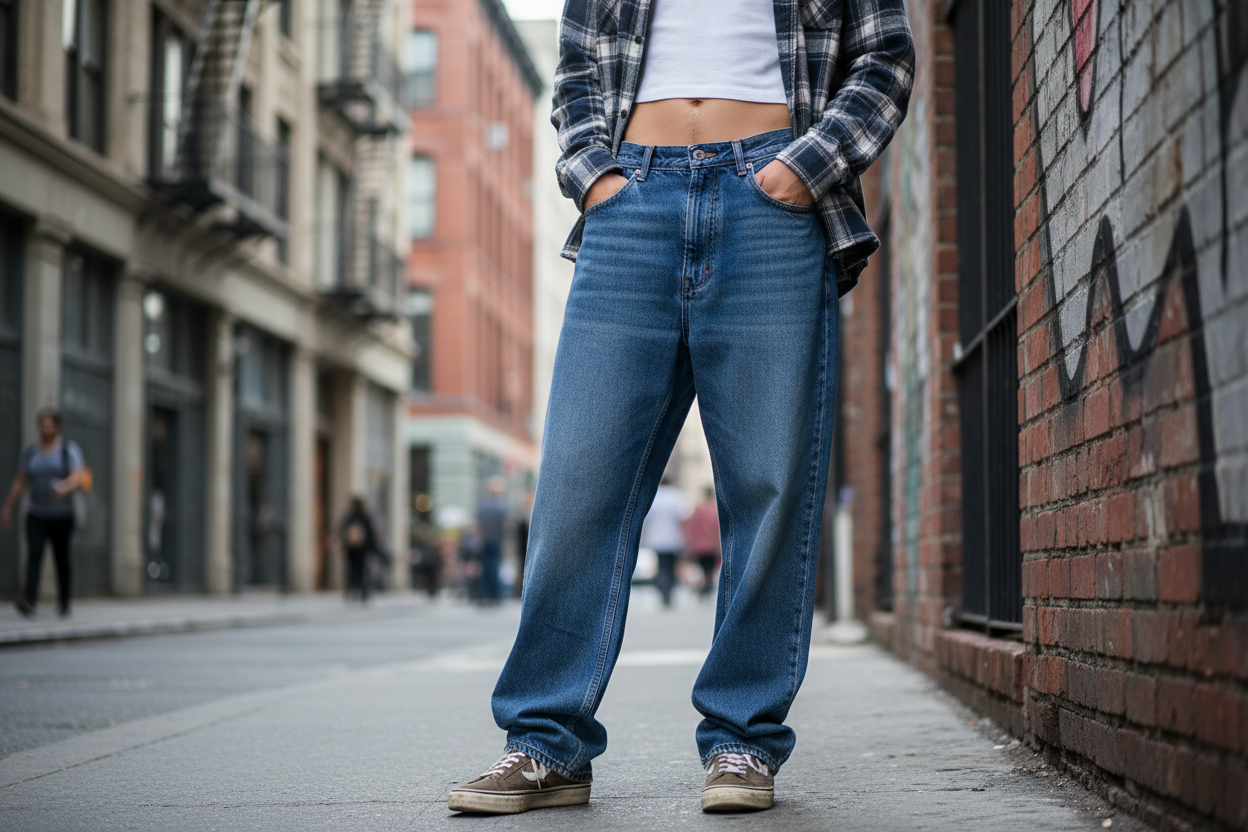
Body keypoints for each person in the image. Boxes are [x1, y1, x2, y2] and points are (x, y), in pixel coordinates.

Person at [448, 0, 914, 815]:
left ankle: (743, 738)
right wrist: (594, 171)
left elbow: (885, 59)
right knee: (577, 481)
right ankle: (544, 744)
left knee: (768, 486)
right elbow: (578, 70)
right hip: (633, 200)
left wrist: (808, 167)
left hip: (775, 196)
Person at [2, 408, 85, 618]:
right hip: (37, 512)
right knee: (35, 554)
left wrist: (63, 488)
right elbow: (21, 481)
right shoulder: (32, 453)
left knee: (61, 558)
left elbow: (77, 477)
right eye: (43, 425)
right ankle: (29, 599)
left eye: (50, 425)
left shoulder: (68, 450)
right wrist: (8, 507)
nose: (45, 429)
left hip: (62, 515)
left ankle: (64, 601)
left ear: (57, 428)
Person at [639, 475, 687, 607]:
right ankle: (669, 591)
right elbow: (682, 518)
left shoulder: (654, 496)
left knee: (661, 567)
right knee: (671, 567)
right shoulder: (676, 496)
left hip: (656, 539)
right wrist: (683, 536)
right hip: (673, 538)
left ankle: (663, 591)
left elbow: (646, 519)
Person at [340, 497, 379, 603]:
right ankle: (362, 592)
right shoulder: (364, 517)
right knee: (362, 571)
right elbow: (371, 534)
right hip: (362, 550)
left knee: (352, 571)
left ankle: (351, 591)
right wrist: (373, 548)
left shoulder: (350, 517)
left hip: (352, 550)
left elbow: (343, 531)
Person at [684, 487, 721, 599]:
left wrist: (690, 541)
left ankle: (705, 587)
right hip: (711, 545)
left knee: (703, 566)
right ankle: (707, 587)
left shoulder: (698, 508)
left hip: (699, 544)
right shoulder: (714, 509)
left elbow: (691, 526)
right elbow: (716, 529)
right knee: (710, 567)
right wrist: (718, 545)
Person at [476, 477, 508, 604]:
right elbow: (505, 525)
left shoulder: (483, 504)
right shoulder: (501, 505)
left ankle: (486, 594)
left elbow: (478, 525)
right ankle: (494, 595)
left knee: (486, 568)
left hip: (485, 540)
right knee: (494, 567)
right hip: (496, 540)